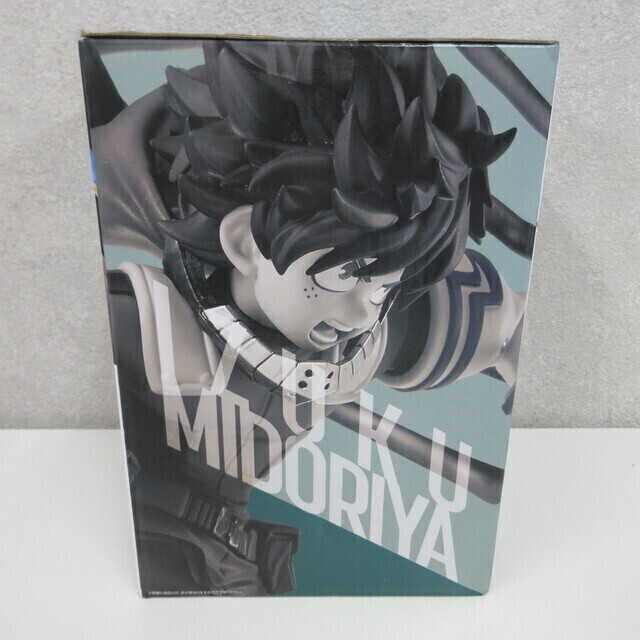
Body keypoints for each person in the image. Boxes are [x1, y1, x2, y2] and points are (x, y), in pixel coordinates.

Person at [87, 40, 525, 595]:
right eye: (348, 273)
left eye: (387, 285)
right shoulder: (137, 327)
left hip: (240, 579)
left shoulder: (354, 344)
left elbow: (498, 324)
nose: (365, 307)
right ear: (244, 241)